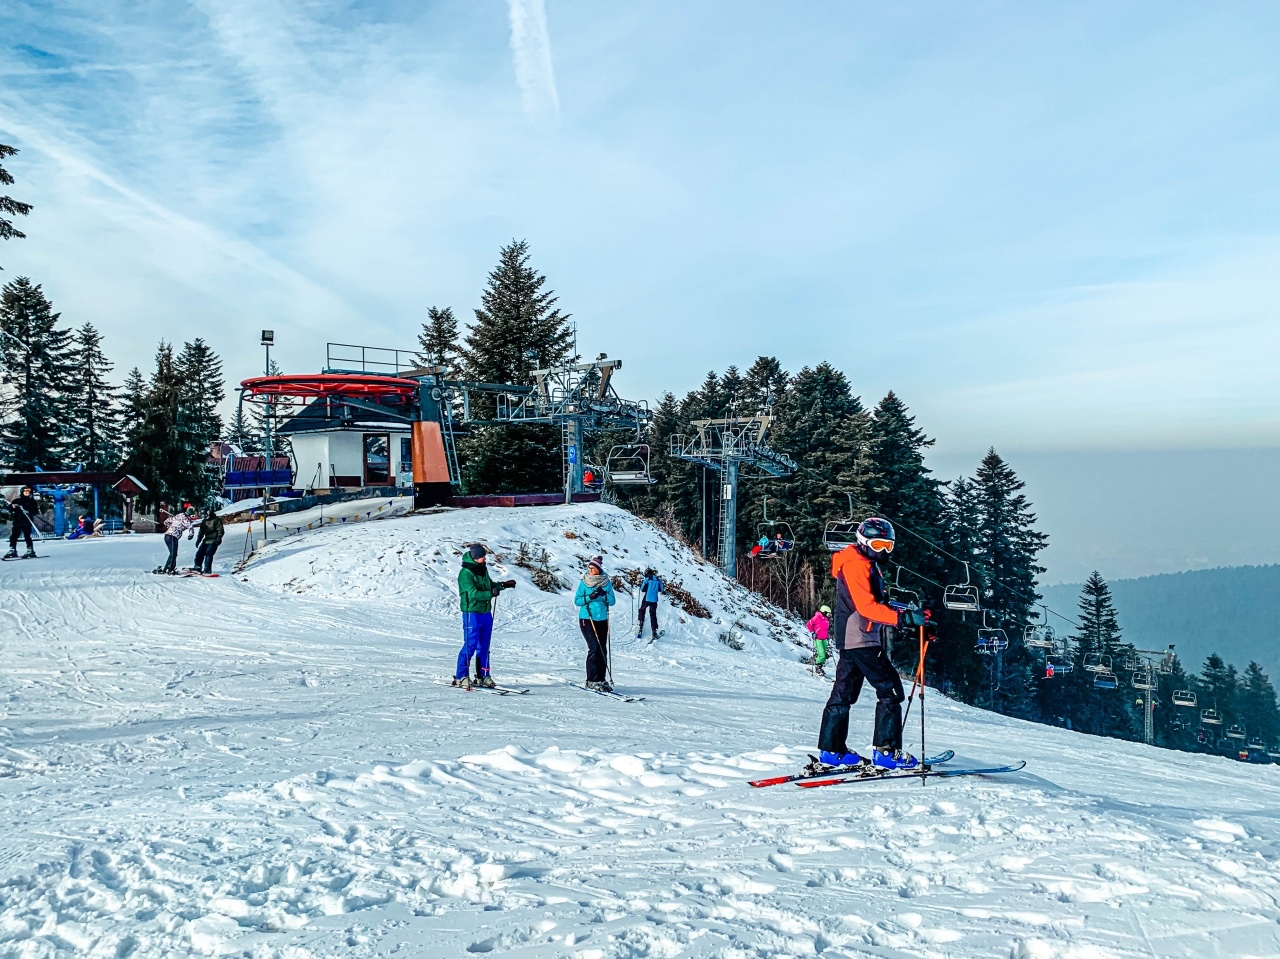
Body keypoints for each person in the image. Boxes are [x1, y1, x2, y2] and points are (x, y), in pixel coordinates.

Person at [816, 517, 926, 771]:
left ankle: (832, 750)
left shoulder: (863, 563)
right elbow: (866, 607)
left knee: (843, 694)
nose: (883, 550)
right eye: (878, 544)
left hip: (852, 638)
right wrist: (902, 618)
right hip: (862, 638)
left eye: (888, 546)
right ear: (863, 541)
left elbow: (875, 601)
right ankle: (886, 752)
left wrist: (907, 612)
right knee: (891, 690)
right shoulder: (857, 566)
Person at [453, 543, 515, 689]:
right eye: (481, 557)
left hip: (485, 612)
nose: (484, 559)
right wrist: (490, 594)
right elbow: (472, 593)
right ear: (474, 558)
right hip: (472, 612)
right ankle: (461, 676)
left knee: (484, 646)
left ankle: (483, 675)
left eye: (484, 556)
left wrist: (503, 585)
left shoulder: (482, 568)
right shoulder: (465, 573)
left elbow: (488, 585)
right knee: (470, 645)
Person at [574, 556, 616, 691]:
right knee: (594, 648)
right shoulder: (584, 582)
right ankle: (591, 679)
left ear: (598, 569)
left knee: (602, 649)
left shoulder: (606, 582)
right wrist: (590, 597)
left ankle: (601, 678)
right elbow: (577, 601)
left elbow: (612, 601)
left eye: (593, 568)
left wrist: (603, 595)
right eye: (589, 568)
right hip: (587, 618)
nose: (590, 570)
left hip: (602, 619)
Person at [158, 506, 199, 574]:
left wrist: (170, 527)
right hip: (172, 536)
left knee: (173, 554)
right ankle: (170, 569)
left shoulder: (178, 516)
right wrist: (191, 535)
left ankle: (168, 568)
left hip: (168, 536)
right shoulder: (186, 519)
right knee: (173, 554)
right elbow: (190, 527)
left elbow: (167, 521)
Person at [4, 486, 39, 558]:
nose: (26, 493)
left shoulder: (32, 502)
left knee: (27, 536)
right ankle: (12, 549)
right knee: (14, 536)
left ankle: (30, 549)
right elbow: (10, 509)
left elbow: (35, 511)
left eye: (28, 492)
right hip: (17, 521)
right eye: (25, 492)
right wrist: (12, 507)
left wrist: (28, 511)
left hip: (27, 521)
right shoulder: (17, 501)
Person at [192, 508, 225, 574]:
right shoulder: (204, 521)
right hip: (206, 540)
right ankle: (197, 567)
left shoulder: (216, 520)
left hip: (214, 540)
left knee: (208, 554)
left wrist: (218, 539)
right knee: (199, 553)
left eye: (205, 515)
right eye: (203, 515)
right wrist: (198, 541)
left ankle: (207, 569)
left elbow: (220, 531)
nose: (204, 517)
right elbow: (201, 532)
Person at [636, 568, 663, 639]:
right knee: (653, 614)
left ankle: (640, 627)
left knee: (642, 610)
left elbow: (642, 589)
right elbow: (662, 589)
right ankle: (654, 631)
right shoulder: (658, 580)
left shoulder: (647, 579)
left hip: (647, 598)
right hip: (654, 600)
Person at [806, 604, 831, 676]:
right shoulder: (817, 617)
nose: (828, 615)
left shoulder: (826, 619)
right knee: (822, 654)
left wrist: (827, 635)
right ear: (824, 612)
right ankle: (818, 667)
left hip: (824, 638)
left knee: (823, 655)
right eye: (827, 613)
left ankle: (820, 667)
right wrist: (813, 632)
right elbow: (809, 624)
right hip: (818, 639)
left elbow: (825, 629)